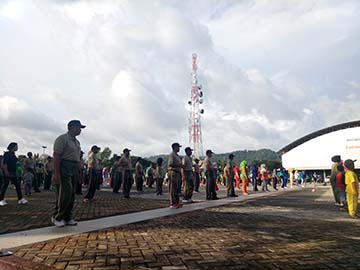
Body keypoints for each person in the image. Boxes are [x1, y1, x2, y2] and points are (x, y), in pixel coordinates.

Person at [52, 119, 85, 227]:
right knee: (65, 193)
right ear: (72, 127)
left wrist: (80, 173)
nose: (80, 130)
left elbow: (77, 159)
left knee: (71, 194)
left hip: (74, 167)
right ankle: (57, 217)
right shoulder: (62, 139)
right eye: (79, 128)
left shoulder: (77, 142)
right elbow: (56, 156)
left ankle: (68, 217)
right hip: (64, 166)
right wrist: (56, 173)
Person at [168, 143, 183, 208]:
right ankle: (173, 203)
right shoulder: (172, 155)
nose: (179, 148)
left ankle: (176, 202)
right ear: (174, 147)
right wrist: (179, 165)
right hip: (173, 172)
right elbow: (170, 163)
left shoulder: (177, 155)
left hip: (177, 172)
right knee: (173, 188)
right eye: (178, 147)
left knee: (177, 188)